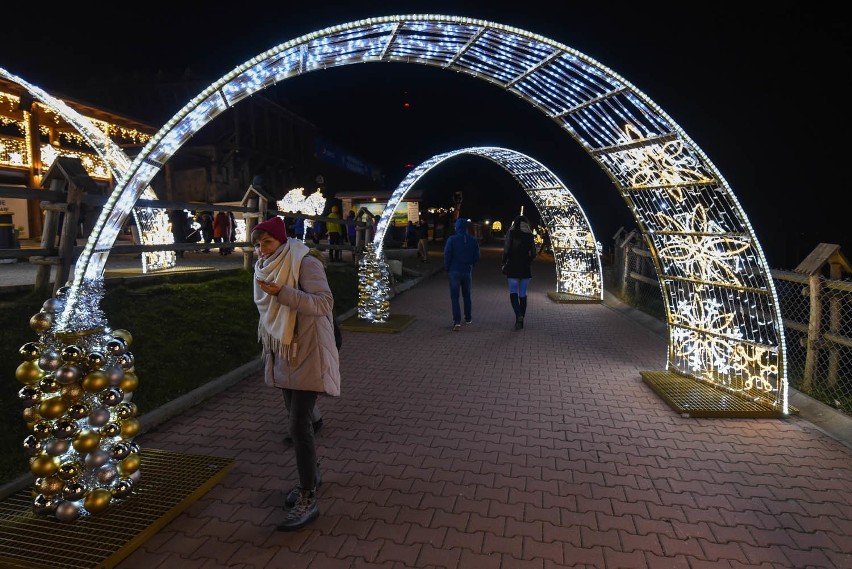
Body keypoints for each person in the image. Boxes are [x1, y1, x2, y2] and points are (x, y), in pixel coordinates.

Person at [251, 215, 340, 531]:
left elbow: (324, 303)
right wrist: (275, 293)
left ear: (282, 240)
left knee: (299, 425)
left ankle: (308, 496)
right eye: (258, 244)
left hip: (307, 352)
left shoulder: (304, 263)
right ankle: (312, 475)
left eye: (268, 242)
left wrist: (282, 293)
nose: (262, 250)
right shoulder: (264, 268)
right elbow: (270, 312)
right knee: (296, 419)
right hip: (284, 354)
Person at [443, 217, 480, 331]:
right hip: (467, 270)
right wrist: (471, 264)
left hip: (454, 270)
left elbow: (447, 254)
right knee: (467, 295)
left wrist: (447, 267)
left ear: (457, 227)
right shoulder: (473, 240)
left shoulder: (452, 239)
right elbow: (477, 256)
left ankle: (457, 321)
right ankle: (468, 318)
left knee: (455, 296)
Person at [502, 215, 538, 330]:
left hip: (512, 265)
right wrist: (528, 260)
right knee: (523, 294)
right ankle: (520, 322)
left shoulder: (511, 233)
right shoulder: (529, 235)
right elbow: (533, 253)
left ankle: (518, 315)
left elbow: (506, 250)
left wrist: (504, 262)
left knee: (513, 292)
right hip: (525, 267)